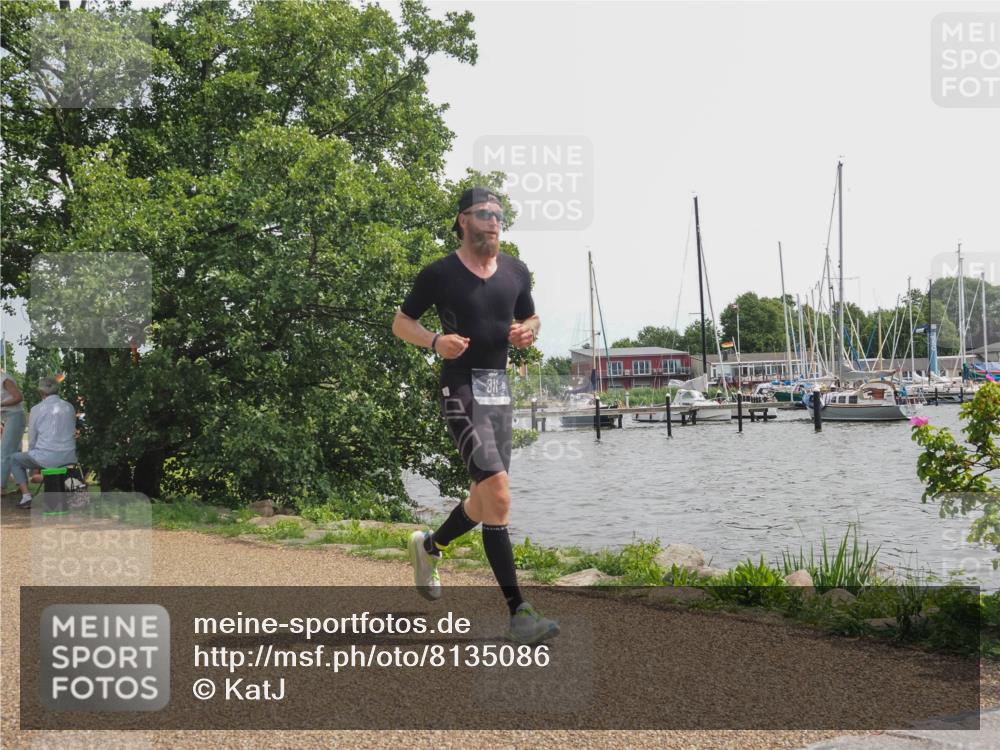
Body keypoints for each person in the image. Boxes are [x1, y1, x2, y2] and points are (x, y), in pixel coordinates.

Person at [392, 187, 559, 646]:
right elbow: (401, 322)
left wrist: (528, 331)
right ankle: (519, 613)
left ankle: (430, 546)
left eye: (499, 215)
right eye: (484, 213)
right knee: (499, 493)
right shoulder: (440, 273)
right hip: (460, 385)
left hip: (497, 387)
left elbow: (532, 317)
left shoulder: (516, 271)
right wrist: (434, 341)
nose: (494, 221)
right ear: (463, 220)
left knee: (484, 500)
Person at [9, 376, 78, 509]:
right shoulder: (69, 407)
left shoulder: (37, 409)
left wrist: (33, 455)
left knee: (14, 459)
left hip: (47, 457)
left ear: (41, 392)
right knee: (44, 458)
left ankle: (26, 497)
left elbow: (32, 438)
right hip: (69, 456)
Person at [1, 371, 26, 495]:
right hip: (8, 416)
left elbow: (18, 397)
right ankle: (22, 486)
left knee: (5, 452)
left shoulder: (4, 379)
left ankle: (1, 487)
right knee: (16, 453)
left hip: (14, 416)